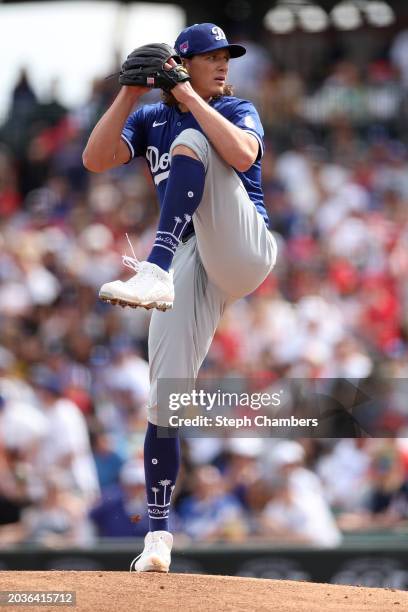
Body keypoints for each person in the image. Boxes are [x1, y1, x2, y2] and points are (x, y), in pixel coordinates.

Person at [82, 23, 277, 572]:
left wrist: (188, 96)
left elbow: (240, 155)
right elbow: (95, 160)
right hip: (192, 259)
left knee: (194, 138)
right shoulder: (151, 117)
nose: (223, 65)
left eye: (226, 57)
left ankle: (155, 268)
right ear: (179, 63)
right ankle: (159, 537)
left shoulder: (237, 109)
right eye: (210, 57)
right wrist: (129, 90)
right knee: (163, 397)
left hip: (242, 247)